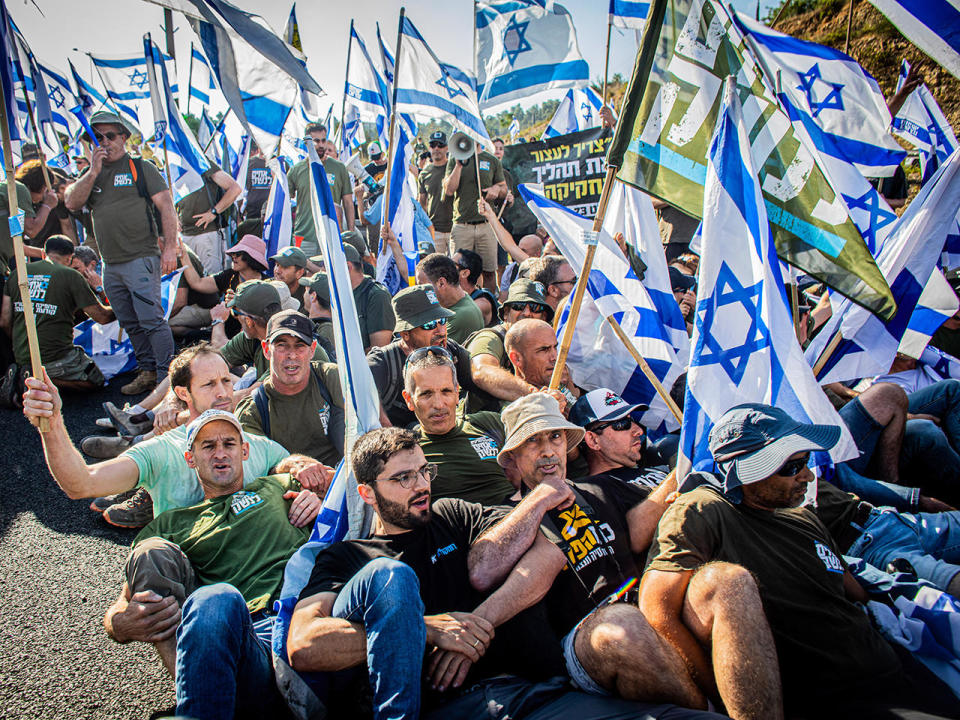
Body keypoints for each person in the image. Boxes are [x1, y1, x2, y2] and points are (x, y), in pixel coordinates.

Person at [287, 426, 720, 720]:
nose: (421, 485)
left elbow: (545, 544)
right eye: (402, 478)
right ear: (366, 492)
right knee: (389, 576)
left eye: (424, 471)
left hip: (536, 689)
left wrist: (540, 498)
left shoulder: (452, 515)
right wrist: (424, 630)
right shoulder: (347, 557)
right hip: (452, 705)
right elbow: (305, 645)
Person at [641, 403, 960, 719]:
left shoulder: (805, 518)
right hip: (837, 699)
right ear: (751, 470)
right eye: (792, 466)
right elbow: (658, 611)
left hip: (903, 674)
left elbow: (854, 593)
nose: (807, 475)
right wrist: (719, 700)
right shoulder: (703, 510)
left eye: (805, 462)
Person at [491, 394, 710, 710]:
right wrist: (539, 500)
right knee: (624, 625)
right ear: (513, 456)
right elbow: (485, 573)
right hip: (584, 639)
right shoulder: (504, 518)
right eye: (532, 441)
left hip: (644, 611)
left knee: (725, 583)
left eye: (555, 436)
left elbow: (639, 535)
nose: (549, 450)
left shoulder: (601, 488)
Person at [122, 409, 317, 716]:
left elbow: (347, 489)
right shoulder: (172, 524)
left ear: (244, 450)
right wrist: (119, 624)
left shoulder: (279, 485)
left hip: (305, 622)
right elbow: (125, 599)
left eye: (228, 443)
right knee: (213, 597)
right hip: (245, 640)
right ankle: (195, 693)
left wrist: (319, 497)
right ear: (190, 458)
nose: (220, 454)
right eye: (208, 446)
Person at [20, 342, 329, 529]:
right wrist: (53, 422)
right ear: (183, 392)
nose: (223, 393)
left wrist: (301, 467)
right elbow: (81, 483)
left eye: (226, 381)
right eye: (209, 385)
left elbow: (286, 460)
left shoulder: (250, 442)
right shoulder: (162, 450)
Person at [64, 110, 178, 395]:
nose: (104, 142)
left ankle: (167, 376)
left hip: (141, 257)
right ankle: (147, 370)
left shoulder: (141, 168)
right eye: (96, 137)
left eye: (110, 136)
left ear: (124, 137)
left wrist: (171, 248)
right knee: (128, 321)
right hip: (110, 264)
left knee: (151, 319)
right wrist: (92, 171)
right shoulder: (90, 173)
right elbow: (72, 203)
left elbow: (167, 207)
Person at [367, 285, 521, 428]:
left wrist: (531, 396)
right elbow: (368, 414)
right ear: (405, 334)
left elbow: (483, 378)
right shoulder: (382, 363)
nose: (441, 331)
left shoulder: (450, 350)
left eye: (442, 321)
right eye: (429, 325)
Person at [0, 235, 113, 391]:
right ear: (70, 257)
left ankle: (27, 373)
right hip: (54, 356)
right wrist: (115, 303)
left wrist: (21, 343)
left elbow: (5, 321)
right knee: (96, 380)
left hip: (23, 355)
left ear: (44, 253)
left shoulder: (17, 273)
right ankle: (38, 380)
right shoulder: (71, 275)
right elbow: (102, 317)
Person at [404, 348, 515, 504]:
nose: (438, 404)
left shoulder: (489, 423)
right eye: (426, 394)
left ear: (457, 393)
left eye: (446, 391)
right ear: (408, 399)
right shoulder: (404, 452)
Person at [236, 310, 345, 466]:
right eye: (282, 346)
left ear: (313, 349)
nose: (292, 355)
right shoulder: (253, 411)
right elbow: (255, 470)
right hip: (287, 484)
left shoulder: (331, 378)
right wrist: (292, 469)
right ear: (267, 349)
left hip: (340, 481)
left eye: (300, 346)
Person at [444, 141, 507, 292]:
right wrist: (458, 166)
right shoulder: (455, 159)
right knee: (459, 272)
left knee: (489, 272)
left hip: (486, 225)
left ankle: (491, 305)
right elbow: (449, 190)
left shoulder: (492, 160)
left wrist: (496, 189)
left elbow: (504, 188)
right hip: (462, 225)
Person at [288, 123, 355, 256]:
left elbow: (348, 202)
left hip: (332, 235)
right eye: (316, 141)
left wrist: (350, 233)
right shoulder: (296, 170)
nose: (321, 145)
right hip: (304, 236)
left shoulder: (339, 168)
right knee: (303, 274)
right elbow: (285, 201)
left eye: (323, 140)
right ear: (307, 142)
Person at [175, 162, 242, 274]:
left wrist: (214, 212)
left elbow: (235, 189)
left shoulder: (201, 162)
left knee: (211, 279)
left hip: (206, 235)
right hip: (184, 236)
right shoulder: (174, 162)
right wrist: (174, 216)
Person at [505, 318, 579, 406]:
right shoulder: (515, 407)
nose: (555, 357)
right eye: (544, 350)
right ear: (516, 358)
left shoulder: (562, 384)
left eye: (555, 347)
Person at [415, 253, 484, 344]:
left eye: (422, 286)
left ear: (441, 283)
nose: (421, 291)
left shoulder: (461, 316)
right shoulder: (461, 299)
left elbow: (430, 352)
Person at [340, 243, 394, 351]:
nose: (323, 270)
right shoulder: (340, 294)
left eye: (326, 266)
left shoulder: (377, 296)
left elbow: (379, 350)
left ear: (347, 267)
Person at [15, 160, 77, 248]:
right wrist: (47, 205)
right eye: (45, 191)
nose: (43, 197)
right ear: (42, 186)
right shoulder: (20, 190)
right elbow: (31, 230)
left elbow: (16, 243)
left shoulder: (15, 192)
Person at [418, 131, 454, 254]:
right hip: (434, 229)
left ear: (447, 148)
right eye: (433, 145)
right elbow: (421, 203)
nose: (437, 148)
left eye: (440, 145)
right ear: (429, 148)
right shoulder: (424, 173)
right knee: (436, 268)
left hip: (455, 227)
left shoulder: (454, 168)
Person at [298, 271, 336, 359]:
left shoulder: (326, 329)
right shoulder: (327, 326)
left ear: (313, 296)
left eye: (306, 290)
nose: (304, 294)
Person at [241, 141, 272, 237]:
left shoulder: (280, 164)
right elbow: (241, 190)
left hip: (272, 217)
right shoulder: (248, 164)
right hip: (252, 216)